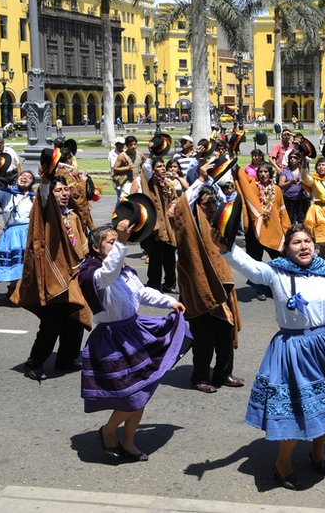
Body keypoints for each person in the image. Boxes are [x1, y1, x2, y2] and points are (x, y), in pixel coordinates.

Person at [220, 224, 325, 490]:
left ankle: (318, 452)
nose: (304, 246)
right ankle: (282, 464)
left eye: (308, 241)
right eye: (296, 242)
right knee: (296, 409)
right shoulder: (276, 271)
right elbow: (250, 267)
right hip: (294, 350)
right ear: (287, 249)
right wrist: (227, 248)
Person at [79, 221, 189, 462]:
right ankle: (109, 430)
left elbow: (142, 292)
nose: (115, 244)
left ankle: (128, 440)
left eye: (115, 241)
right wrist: (122, 240)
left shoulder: (126, 271)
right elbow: (109, 271)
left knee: (142, 391)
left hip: (134, 332)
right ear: (97, 248)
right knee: (132, 395)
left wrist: (168, 302)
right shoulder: (93, 273)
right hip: (111, 340)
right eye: (109, 241)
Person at [12, 168, 90, 382]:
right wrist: (46, 181)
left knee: (75, 318)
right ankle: (34, 363)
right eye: (58, 191)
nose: (64, 193)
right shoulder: (45, 215)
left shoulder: (72, 216)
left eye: (66, 190)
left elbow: (80, 245)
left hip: (73, 276)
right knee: (51, 324)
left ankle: (67, 358)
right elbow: (43, 195)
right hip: (52, 279)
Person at [169, 174, 244, 394]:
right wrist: (199, 180)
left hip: (221, 289)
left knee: (225, 334)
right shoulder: (189, 228)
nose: (211, 207)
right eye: (206, 204)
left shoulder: (217, 225)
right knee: (204, 339)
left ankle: (223, 373)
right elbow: (183, 207)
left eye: (213, 203)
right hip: (199, 291)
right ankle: (199, 377)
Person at [131, 156, 178, 292]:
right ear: (152, 170)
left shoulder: (167, 184)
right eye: (158, 166)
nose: (163, 168)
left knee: (170, 257)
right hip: (154, 227)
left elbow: (175, 198)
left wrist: (173, 205)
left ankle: (170, 284)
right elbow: (145, 168)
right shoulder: (148, 183)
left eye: (163, 166)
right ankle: (154, 286)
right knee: (155, 258)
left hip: (168, 227)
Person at [0, 169, 36, 296]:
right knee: (14, 262)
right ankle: (13, 289)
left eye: (28, 177)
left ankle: (26, 291)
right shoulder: (6, 193)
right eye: (22, 175)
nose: (25, 177)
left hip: (28, 231)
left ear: (32, 182)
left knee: (28, 263)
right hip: (12, 233)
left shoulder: (34, 196)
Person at [301, 157, 325, 259]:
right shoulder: (314, 179)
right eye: (319, 165)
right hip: (318, 210)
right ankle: (321, 259)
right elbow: (305, 178)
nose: (321, 167)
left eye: (323, 165)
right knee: (324, 239)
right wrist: (304, 165)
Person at [278, 151, 309, 225]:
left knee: (303, 220)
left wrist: (303, 182)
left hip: (302, 200)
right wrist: (290, 182)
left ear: (299, 160)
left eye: (295, 157)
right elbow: (280, 185)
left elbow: (309, 183)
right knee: (290, 221)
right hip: (289, 200)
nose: (292, 159)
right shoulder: (285, 171)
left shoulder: (304, 171)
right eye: (291, 157)